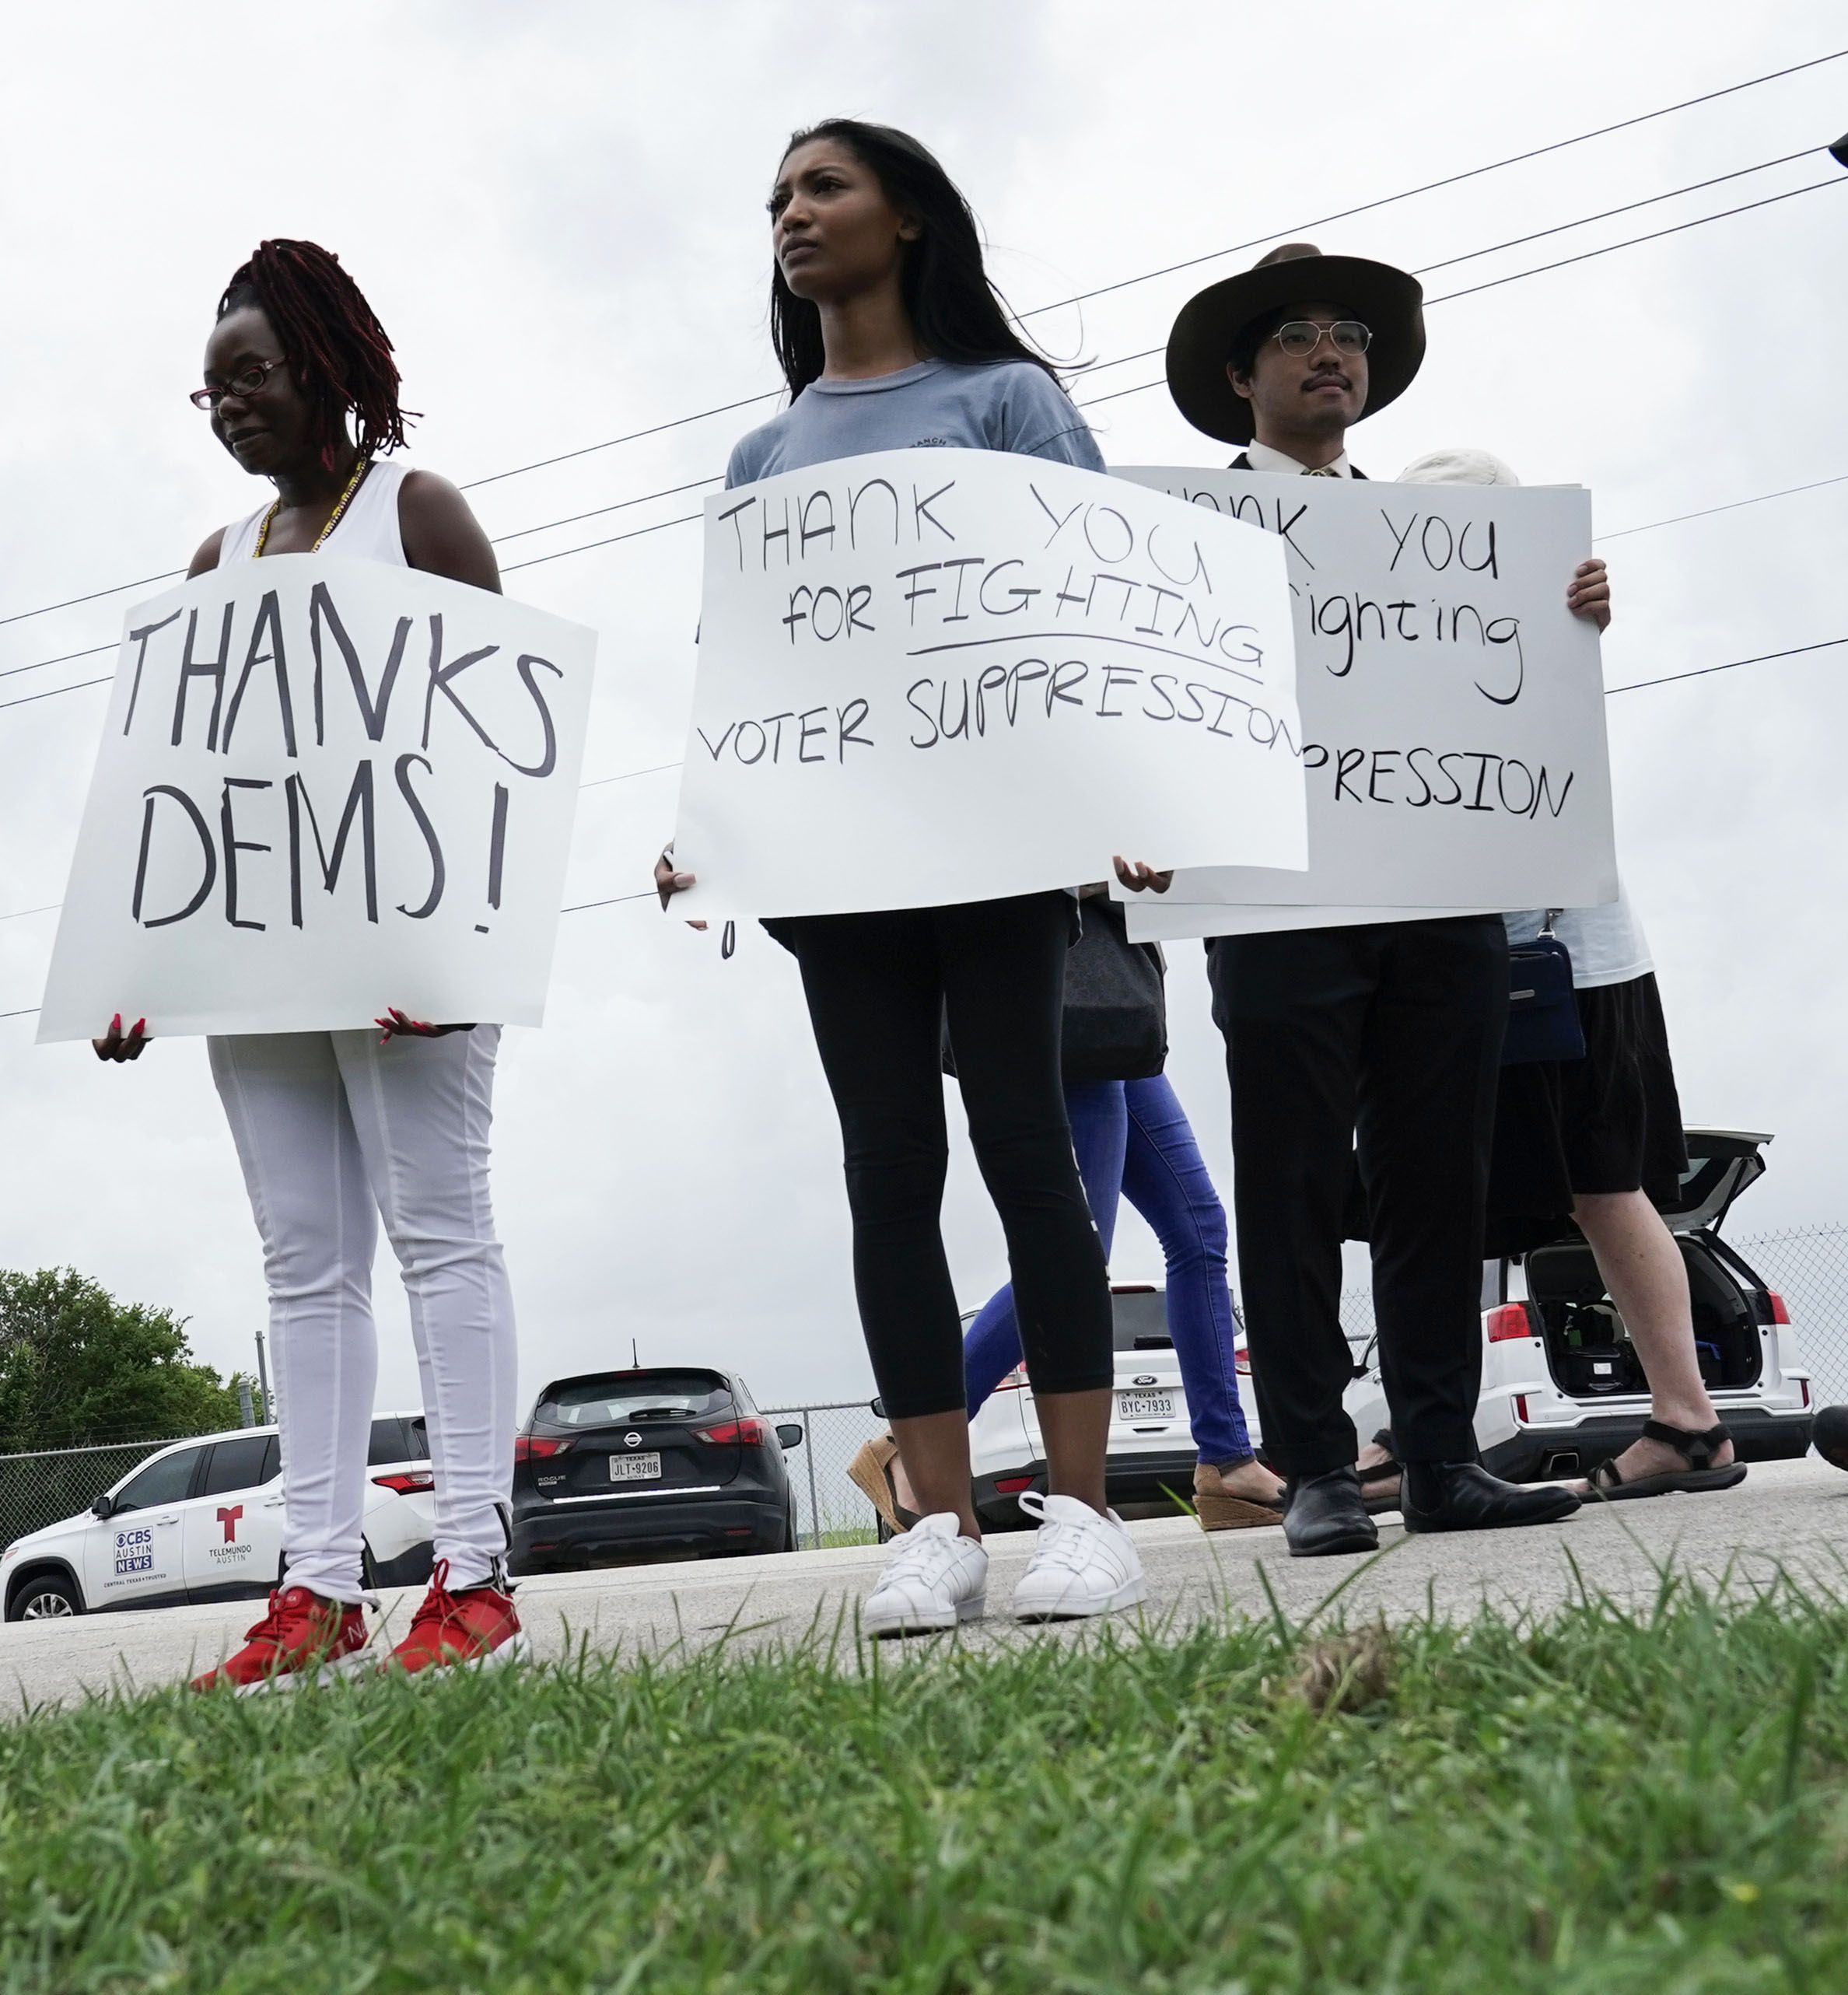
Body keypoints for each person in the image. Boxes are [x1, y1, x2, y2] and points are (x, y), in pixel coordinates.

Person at [656, 121, 1141, 1639]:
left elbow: (1095, 599)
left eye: (823, 187)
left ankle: (1084, 1510)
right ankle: (935, 1523)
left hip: (995, 840)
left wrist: (1129, 791)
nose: (791, 216)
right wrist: (711, 823)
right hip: (835, 861)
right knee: (887, 1168)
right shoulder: (765, 452)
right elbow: (746, 667)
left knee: (1021, 1143)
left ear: (909, 220)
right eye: (778, 198)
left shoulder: (1006, 400)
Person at [92, 239, 526, 1690]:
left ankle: (473, 1570)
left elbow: (497, 746)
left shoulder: (419, 511)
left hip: (409, 963)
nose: (227, 406)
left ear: (329, 363)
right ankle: (320, 1585)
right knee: (303, 1264)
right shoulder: (218, 564)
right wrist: (138, 966)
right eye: (207, 389)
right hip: (262, 968)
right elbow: (184, 789)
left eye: (251, 375)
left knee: (441, 1232)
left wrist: (455, 943)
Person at [1156, 245, 1586, 1553]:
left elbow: (1516, 685)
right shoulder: (1182, 532)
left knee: (1434, 1174)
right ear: (1243, 376)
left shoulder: (1443, 548)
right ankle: (1317, 1467)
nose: (1330, 351)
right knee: (1290, 1181)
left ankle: (1443, 1452)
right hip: (1278, 900)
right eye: (1297, 335)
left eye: (1348, 332)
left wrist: (1567, 608)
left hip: (1440, 895)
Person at [1395, 446, 1741, 1503]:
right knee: (1481, 1193)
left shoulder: (1545, 622)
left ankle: (1683, 1419)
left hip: (1564, 959)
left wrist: (1579, 613)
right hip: (1510, 953)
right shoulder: (1397, 640)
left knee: (1591, 1187)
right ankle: (1435, 1431)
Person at [848, 898, 1285, 1535]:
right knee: (1076, 1253)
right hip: (1066, 974)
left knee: (1198, 1227)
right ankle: (904, 1447)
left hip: (1111, 979)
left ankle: (1225, 1458)